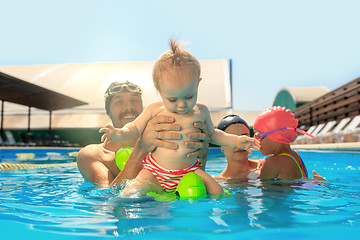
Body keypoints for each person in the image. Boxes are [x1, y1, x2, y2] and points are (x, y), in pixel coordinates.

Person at [100, 39, 260, 195]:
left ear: (197, 84)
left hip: (190, 171)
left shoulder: (201, 111)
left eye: (189, 96)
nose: (182, 104)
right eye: (173, 99)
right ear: (158, 89)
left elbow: (214, 134)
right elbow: (134, 127)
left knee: (219, 192)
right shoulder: (154, 109)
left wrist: (236, 140)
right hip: (155, 171)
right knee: (130, 193)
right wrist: (120, 133)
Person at [77, 81, 210, 186]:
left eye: (134, 100)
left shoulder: (163, 142)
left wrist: (201, 160)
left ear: (143, 108)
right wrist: (141, 148)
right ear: (108, 112)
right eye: (119, 102)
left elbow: (187, 185)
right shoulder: (93, 155)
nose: (128, 107)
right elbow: (107, 199)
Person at [253, 106, 313, 179]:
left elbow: (263, 189)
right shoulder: (296, 156)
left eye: (258, 135)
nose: (254, 139)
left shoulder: (271, 163)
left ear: (276, 135)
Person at [213, 115, 263, 181]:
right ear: (221, 145)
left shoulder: (266, 166)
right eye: (233, 139)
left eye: (244, 137)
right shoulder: (218, 182)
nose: (240, 144)